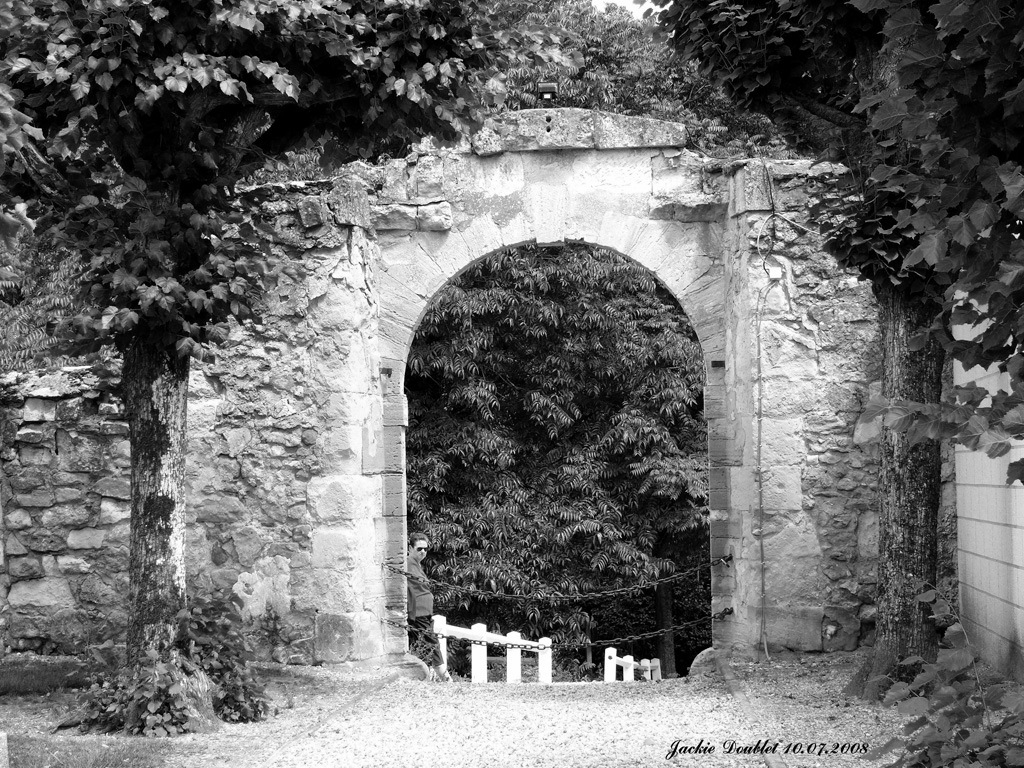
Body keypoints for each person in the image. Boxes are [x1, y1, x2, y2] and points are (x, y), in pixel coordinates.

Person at [407, 532, 452, 682]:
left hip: (423, 612)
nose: (423, 552)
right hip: (417, 612)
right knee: (433, 646)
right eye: (419, 549)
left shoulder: (416, 564)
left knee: (423, 646)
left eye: (425, 549)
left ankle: (424, 679)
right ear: (410, 548)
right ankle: (446, 680)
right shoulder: (408, 563)